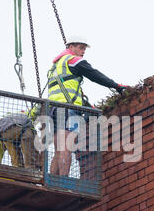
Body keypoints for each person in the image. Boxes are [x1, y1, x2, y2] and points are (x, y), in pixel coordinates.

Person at [47, 35, 128, 176]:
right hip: (68, 110)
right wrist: (116, 86)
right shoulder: (73, 60)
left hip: (53, 109)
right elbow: (94, 74)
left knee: (59, 149)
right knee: (67, 148)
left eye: (84, 48)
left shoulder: (56, 65)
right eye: (80, 47)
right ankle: (63, 183)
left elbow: (67, 89)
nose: (83, 51)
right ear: (70, 47)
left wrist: (88, 105)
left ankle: (52, 182)